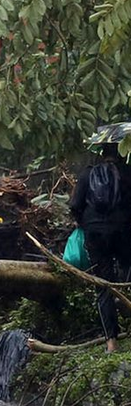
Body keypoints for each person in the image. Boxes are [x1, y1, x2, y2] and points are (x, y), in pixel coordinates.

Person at [69, 142, 131, 353]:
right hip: (122, 232)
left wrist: (82, 223)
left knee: (103, 284)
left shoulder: (88, 174)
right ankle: (123, 297)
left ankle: (111, 342)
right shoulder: (126, 173)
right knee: (127, 269)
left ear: (102, 153)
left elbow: (75, 205)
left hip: (94, 233)